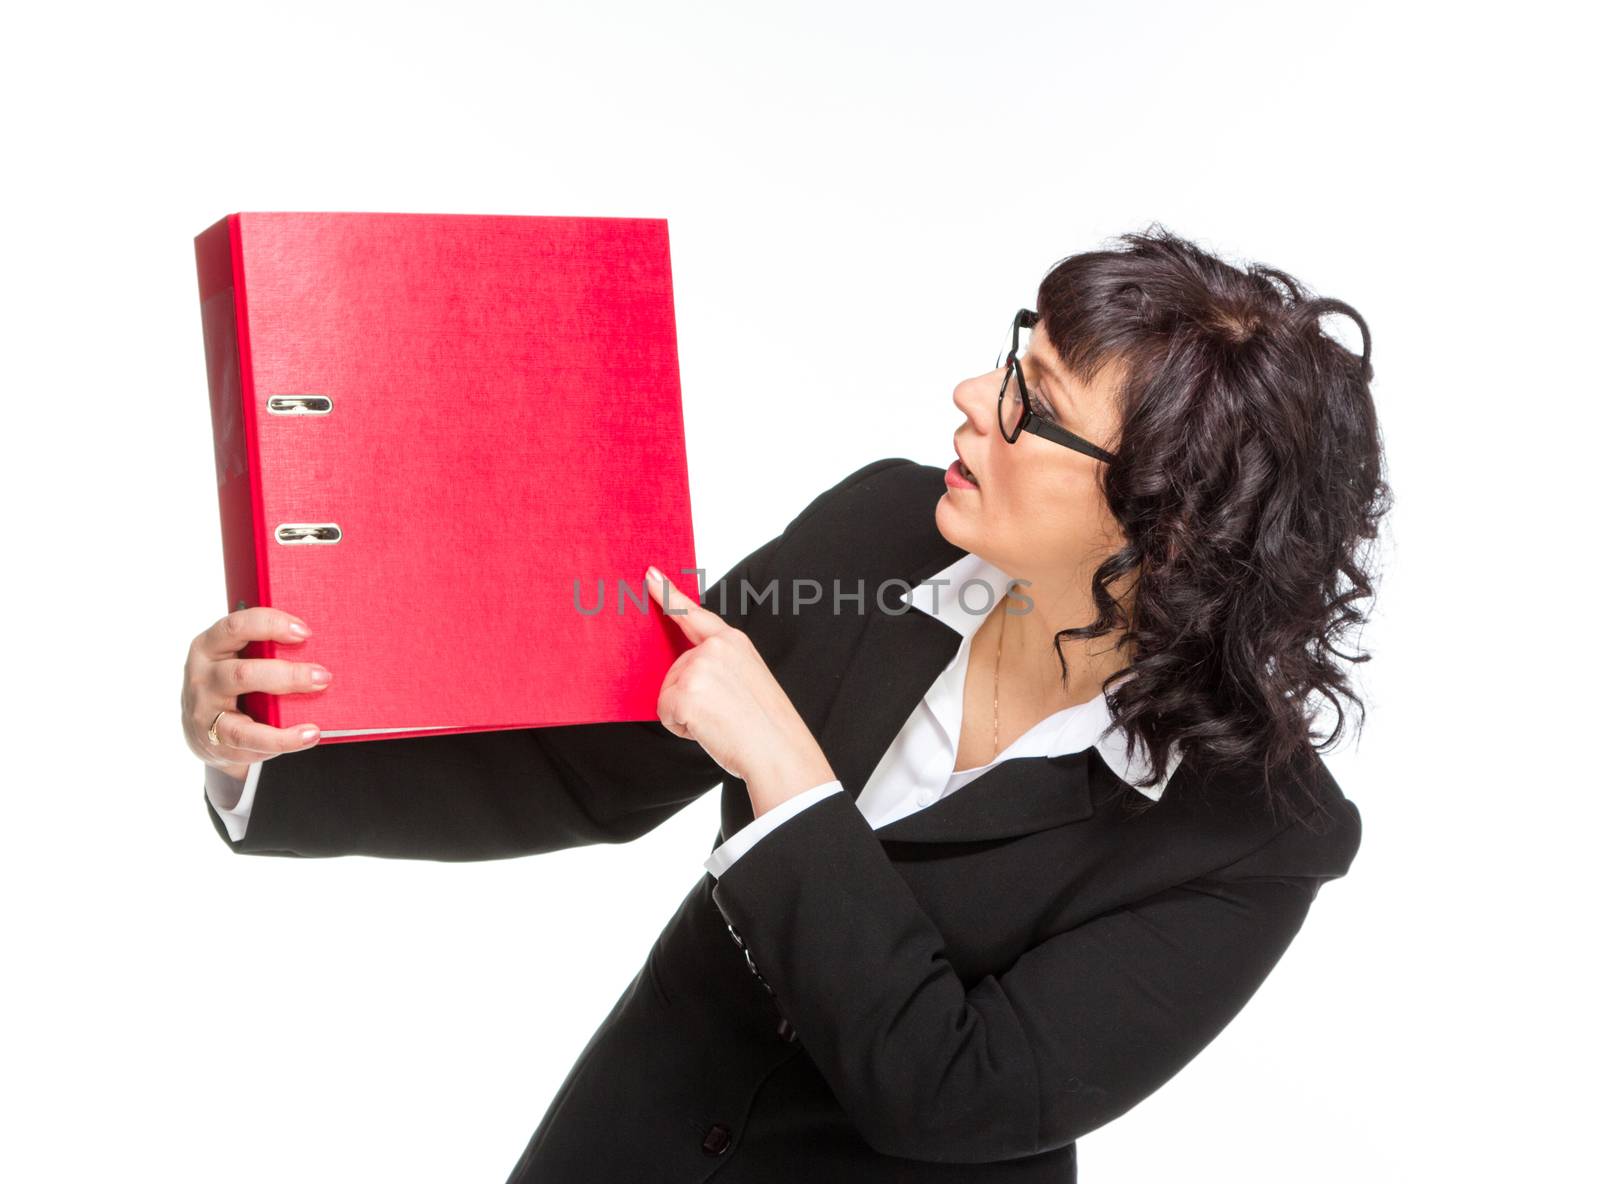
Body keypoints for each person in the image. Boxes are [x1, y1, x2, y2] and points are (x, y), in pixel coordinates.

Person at [181, 225, 1388, 1181]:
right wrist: (269, 743)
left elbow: (957, 1090)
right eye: (1010, 354)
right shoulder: (880, 527)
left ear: (1163, 521)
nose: (972, 395)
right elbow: (601, 760)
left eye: (1032, 398)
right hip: (625, 1144)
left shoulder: (1258, 833)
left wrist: (785, 770)